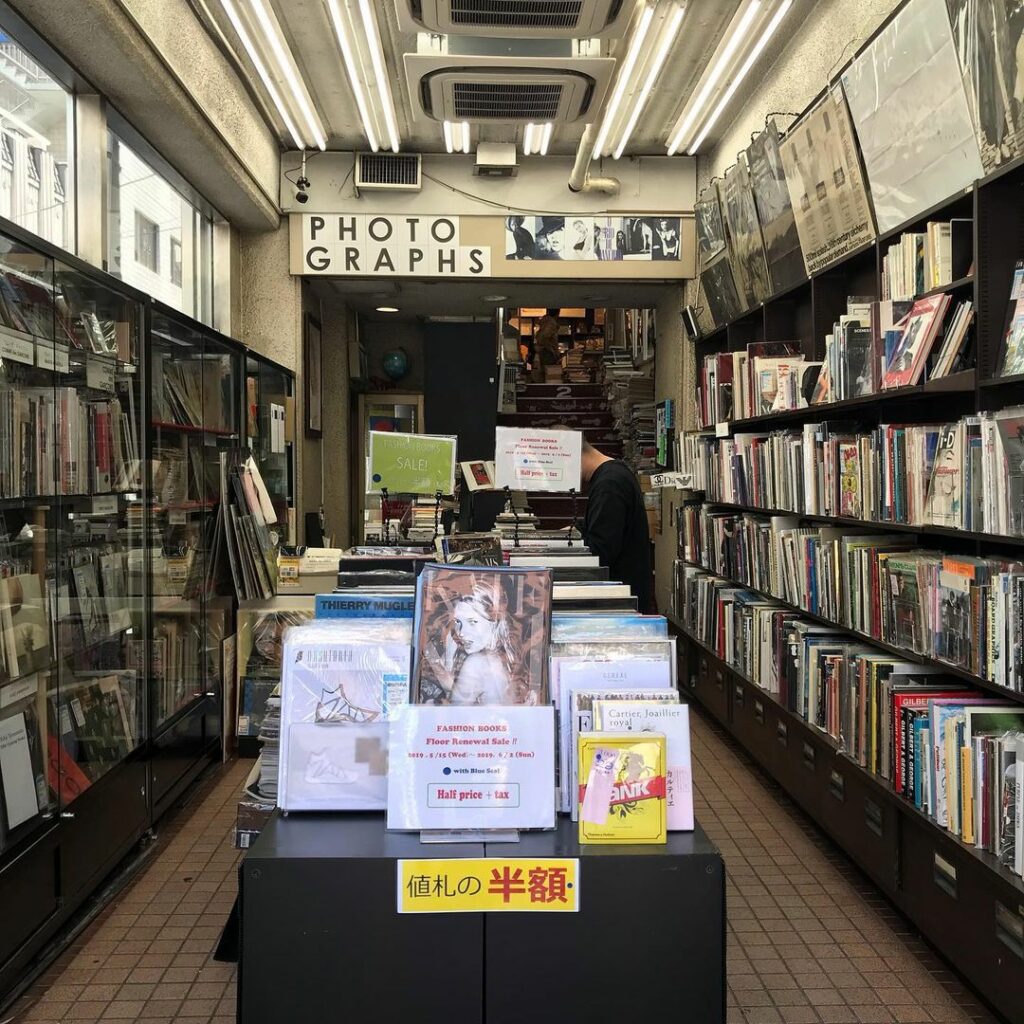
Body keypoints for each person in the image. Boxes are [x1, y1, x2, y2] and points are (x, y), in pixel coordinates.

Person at [578, 434, 653, 612]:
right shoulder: (614, 474)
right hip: (625, 597)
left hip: (620, 603)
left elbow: (601, 550)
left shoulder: (609, 484)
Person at [420, 583, 518, 705]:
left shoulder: (477, 662)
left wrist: (430, 705)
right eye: (458, 622)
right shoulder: (504, 660)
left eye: (472, 622)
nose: (461, 632)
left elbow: (456, 716)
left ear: (494, 621)